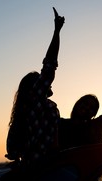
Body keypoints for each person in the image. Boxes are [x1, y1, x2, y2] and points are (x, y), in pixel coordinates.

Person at [6, 7, 64, 166]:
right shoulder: (37, 101)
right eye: (39, 80)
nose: (45, 81)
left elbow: (11, 150)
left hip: (37, 167)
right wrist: (57, 31)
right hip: (42, 168)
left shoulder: (24, 111)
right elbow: (50, 64)